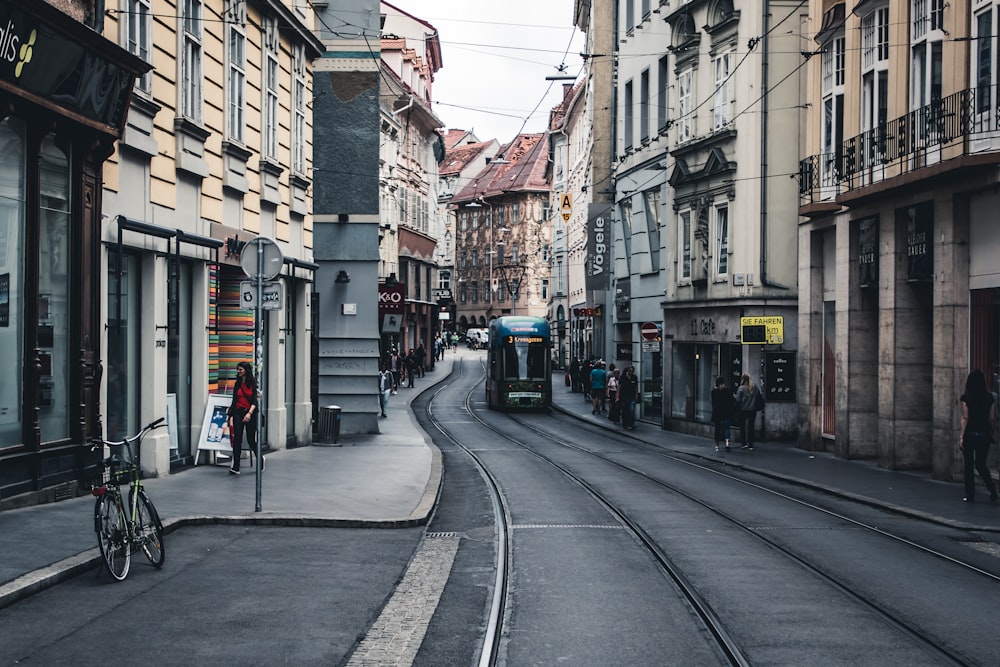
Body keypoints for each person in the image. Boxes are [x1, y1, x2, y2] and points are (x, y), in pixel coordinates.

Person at [959, 369, 998, 503]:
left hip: (969, 434)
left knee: (969, 466)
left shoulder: (966, 398)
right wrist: (991, 432)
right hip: (983, 435)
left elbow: (965, 418)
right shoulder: (990, 398)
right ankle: (992, 490)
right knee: (981, 464)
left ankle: (970, 495)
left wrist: (961, 437)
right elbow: (992, 419)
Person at [227, 361, 258, 475]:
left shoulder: (252, 383)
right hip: (238, 412)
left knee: (250, 439)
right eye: (238, 370)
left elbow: (254, 400)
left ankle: (259, 459)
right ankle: (236, 467)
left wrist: (249, 414)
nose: (238, 372)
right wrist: (230, 414)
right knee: (237, 440)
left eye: (241, 369)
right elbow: (234, 399)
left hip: (250, 413)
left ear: (246, 370)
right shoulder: (237, 383)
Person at [734, 373, 761, 450]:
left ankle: (744, 443)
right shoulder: (754, 387)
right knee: (751, 427)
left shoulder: (741, 388)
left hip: (743, 410)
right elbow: (758, 396)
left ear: (742, 379)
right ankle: (751, 443)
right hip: (752, 410)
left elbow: (738, 400)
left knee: (742, 426)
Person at [711, 375, 735, 452]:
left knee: (717, 429)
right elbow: (731, 402)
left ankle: (717, 445)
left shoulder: (714, 392)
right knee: (726, 428)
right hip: (726, 412)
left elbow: (713, 403)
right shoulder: (728, 391)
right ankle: (727, 443)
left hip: (717, 413)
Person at [619, 366, 639, 430]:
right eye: (630, 371)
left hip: (631, 396)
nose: (631, 372)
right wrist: (617, 396)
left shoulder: (634, 377)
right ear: (627, 371)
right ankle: (625, 423)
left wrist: (636, 396)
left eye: (632, 371)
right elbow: (619, 387)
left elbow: (636, 387)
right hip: (624, 396)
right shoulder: (623, 377)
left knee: (631, 410)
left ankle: (631, 424)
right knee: (625, 410)